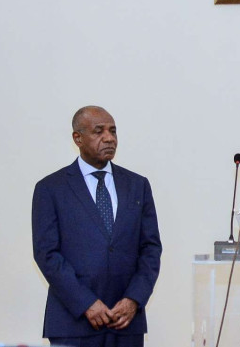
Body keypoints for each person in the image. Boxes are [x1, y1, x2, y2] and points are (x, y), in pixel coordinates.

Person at [32, 106, 162, 347]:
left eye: (113, 131)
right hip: (73, 324)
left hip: (126, 323)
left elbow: (151, 249)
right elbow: (46, 254)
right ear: (77, 138)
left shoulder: (137, 185)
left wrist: (133, 299)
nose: (109, 138)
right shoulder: (50, 188)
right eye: (98, 131)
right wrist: (86, 303)